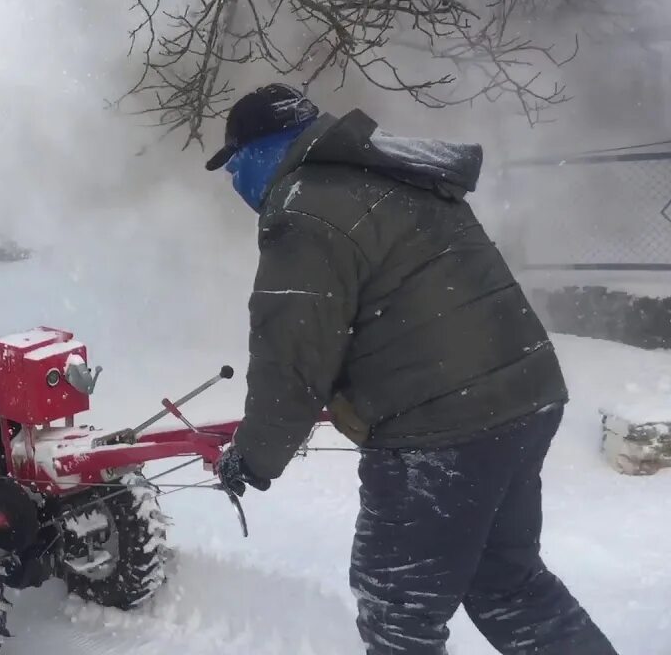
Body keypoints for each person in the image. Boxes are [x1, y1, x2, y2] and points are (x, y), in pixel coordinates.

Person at [207, 83, 618, 655]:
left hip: (443, 434)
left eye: (233, 168)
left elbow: (291, 358)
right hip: (524, 397)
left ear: (258, 150)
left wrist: (252, 457)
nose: (234, 184)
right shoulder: (387, 173)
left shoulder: (302, 207)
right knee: (508, 586)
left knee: (397, 616)